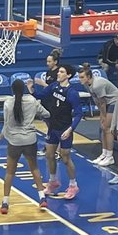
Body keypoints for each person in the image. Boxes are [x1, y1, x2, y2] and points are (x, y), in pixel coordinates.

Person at [0, 78, 49, 214]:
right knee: (34, 168)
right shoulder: (31, 100)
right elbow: (46, 113)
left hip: (15, 142)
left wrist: (0, 136)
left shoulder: (8, 103)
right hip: (30, 139)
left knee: (10, 172)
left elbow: (6, 124)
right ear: (23, 89)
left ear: (12, 90)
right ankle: (42, 198)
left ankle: (5, 203)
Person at [34, 64, 84, 200]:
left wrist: (70, 129)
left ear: (68, 75)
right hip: (52, 126)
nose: (58, 73)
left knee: (66, 158)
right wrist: (31, 89)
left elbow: (79, 114)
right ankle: (53, 181)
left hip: (64, 128)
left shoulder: (72, 93)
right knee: (49, 155)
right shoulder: (54, 86)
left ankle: (73, 185)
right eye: (59, 71)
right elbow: (41, 95)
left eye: (62, 72)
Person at [80, 64, 118, 167]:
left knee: (107, 128)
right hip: (105, 102)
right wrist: (101, 115)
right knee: (102, 127)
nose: (80, 80)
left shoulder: (97, 85)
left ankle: (110, 157)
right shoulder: (87, 85)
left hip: (115, 101)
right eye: (79, 77)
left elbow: (102, 102)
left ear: (88, 77)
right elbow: (96, 99)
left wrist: (103, 116)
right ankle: (104, 153)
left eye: (82, 77)